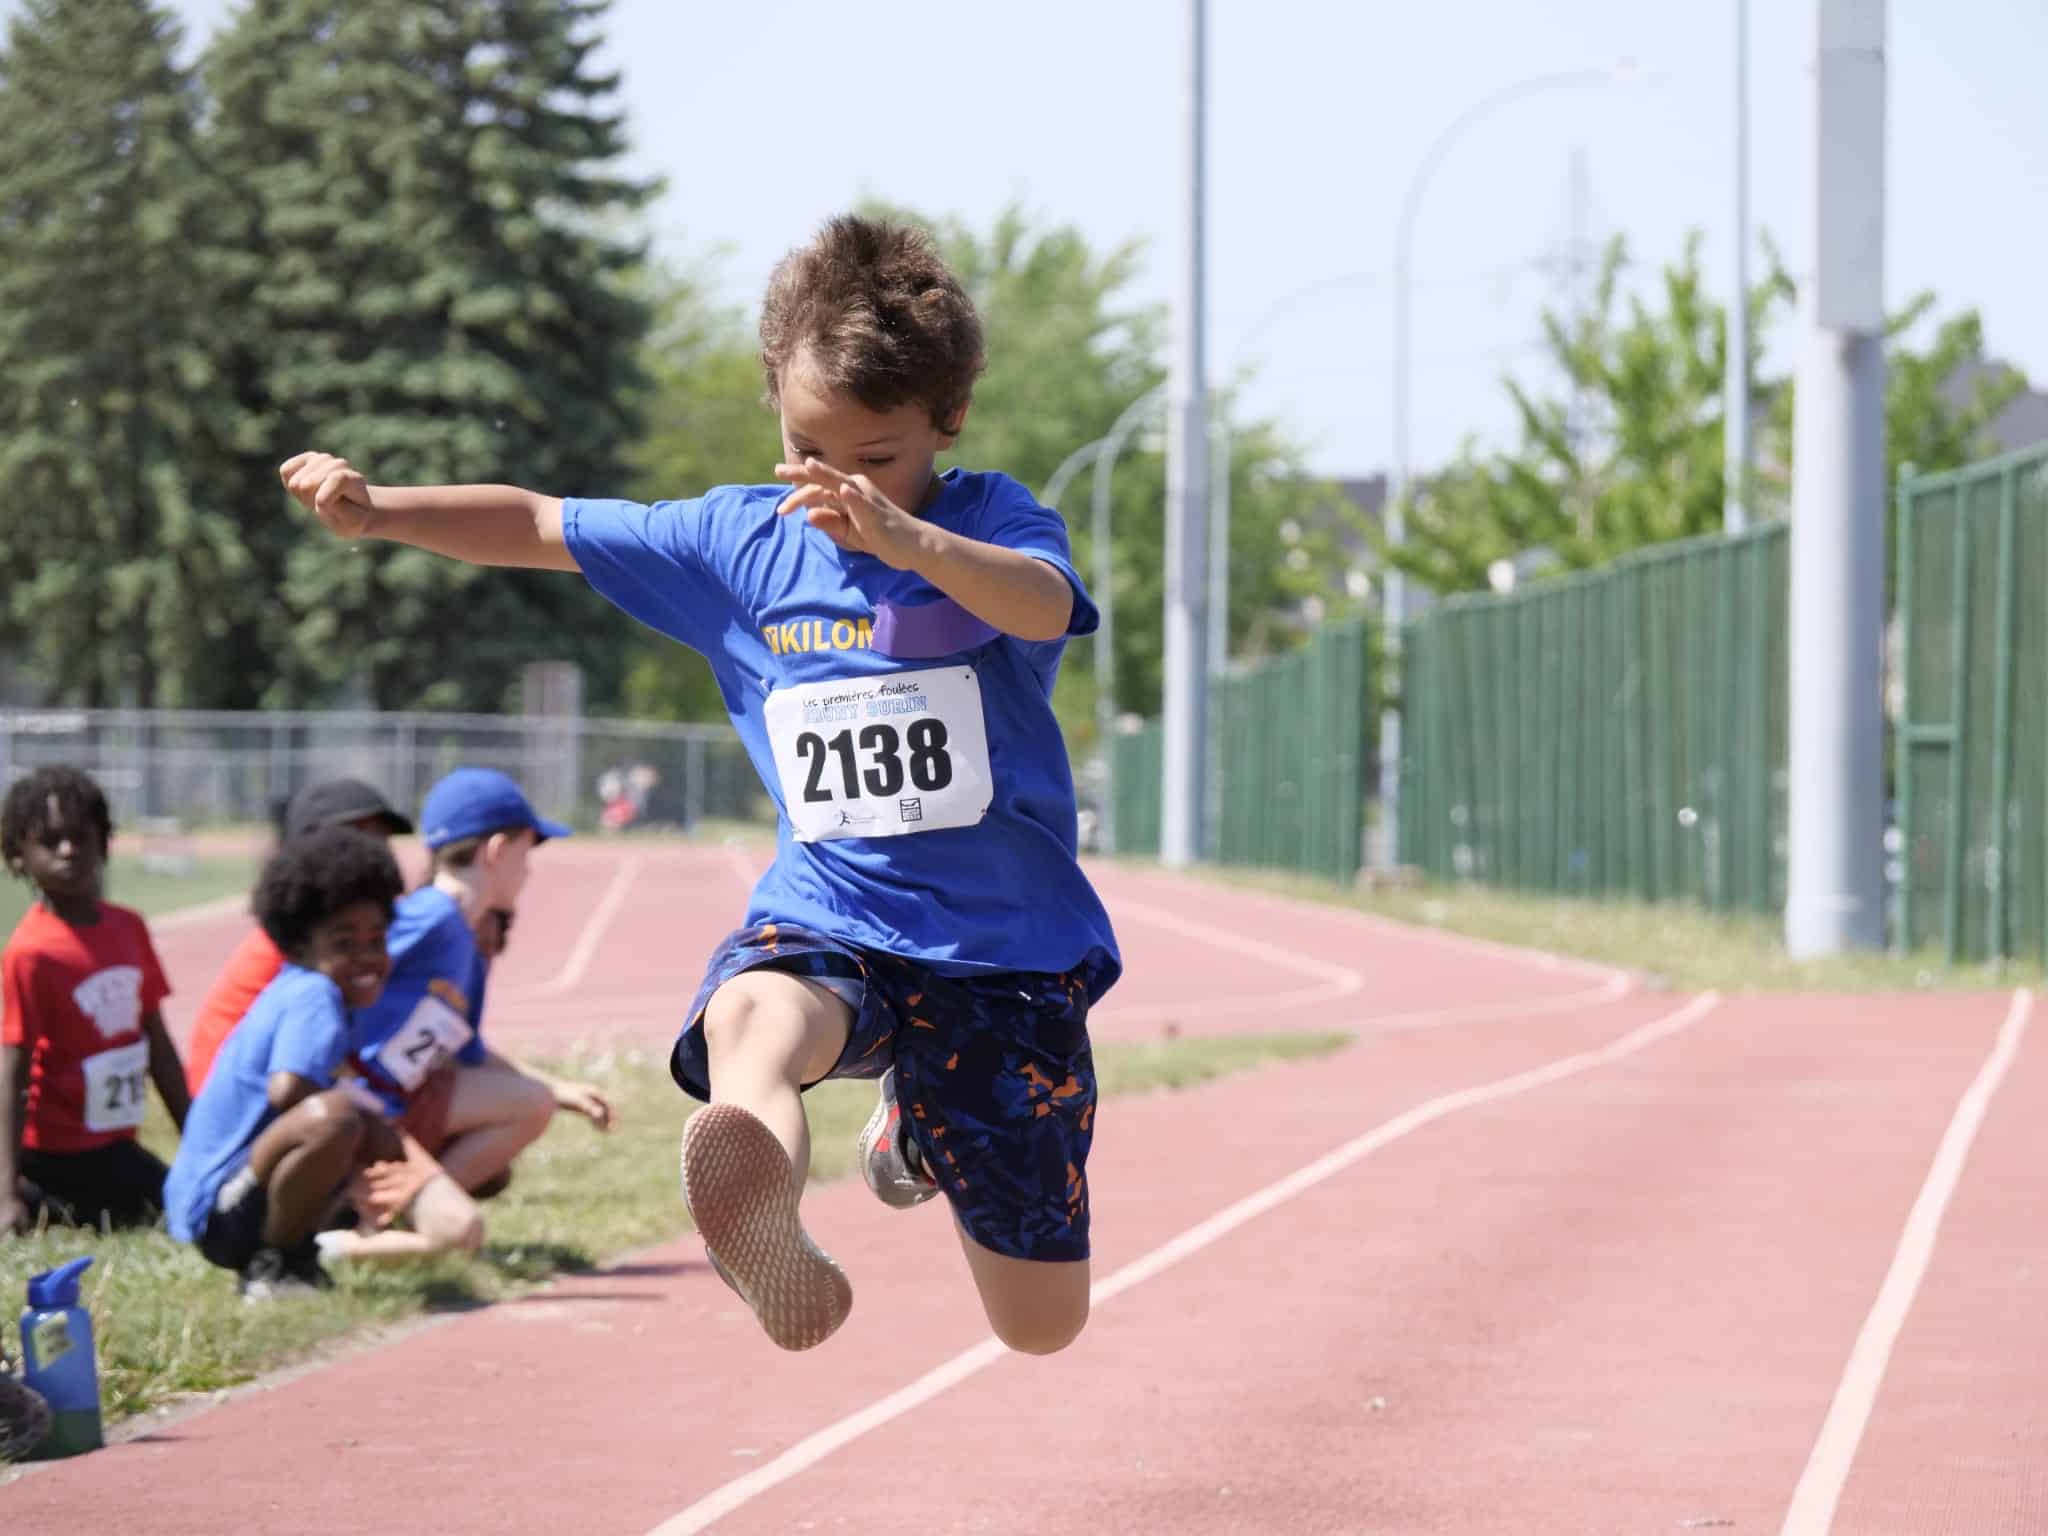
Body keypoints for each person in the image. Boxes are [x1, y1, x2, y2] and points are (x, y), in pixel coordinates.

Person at [280, 212, 1121, 1354]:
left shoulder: (989, 523)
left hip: (1003, 954)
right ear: (772, 397)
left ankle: (914, 1127)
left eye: (876, 458)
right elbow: (539, 521)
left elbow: (1042, 599)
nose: (839, 485)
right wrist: (381, 514)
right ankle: (761, 1207)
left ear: (947, 418)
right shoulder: (738, 542)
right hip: (836, 913)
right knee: (748, 1013)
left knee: (1039, 1327)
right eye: (811, 450)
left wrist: (909, 543)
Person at [321, 768, 611, 1252]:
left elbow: (466, 1050)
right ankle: (350, 1231)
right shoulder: (429, 917)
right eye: (528, 848)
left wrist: (556, 1089)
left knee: (531, 1102)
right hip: (360, 1108)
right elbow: (328, 978)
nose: (530, 868)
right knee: (462, 1231)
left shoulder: (465, 940)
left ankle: (396, 1214)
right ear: (496, 850)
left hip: (400, 1102)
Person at [162, 825, 416, 1297]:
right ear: (300, 944)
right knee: (336, 1119)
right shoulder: (314, 994)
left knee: (351, 1124)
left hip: (237, 1194)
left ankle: (296, 1256)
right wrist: (368, 1125)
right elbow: (288, 1090)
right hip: (217, 1209)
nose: (365, 957)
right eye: (344, 943)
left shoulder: (312, 989)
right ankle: (272, 1265)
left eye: (376, 941)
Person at [0, 766, 189, 1235]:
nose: (69, 850)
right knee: (61, 1218)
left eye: (81, 836)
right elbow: (13, 1069)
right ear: (19, 856)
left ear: (103, 842)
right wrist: (4, 1193)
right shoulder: (30, 952)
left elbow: (159, 1046)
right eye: (50, 840)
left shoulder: (129, 928)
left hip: (114, 1149)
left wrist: (200, 1143)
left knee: (186, 1212)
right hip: (48, 1155)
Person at [183, 778, 414, 1096]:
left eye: (381, 840)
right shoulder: (304, 946)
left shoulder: (330, 934)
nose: (379, 852)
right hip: (245, 1104)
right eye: (360, 838)